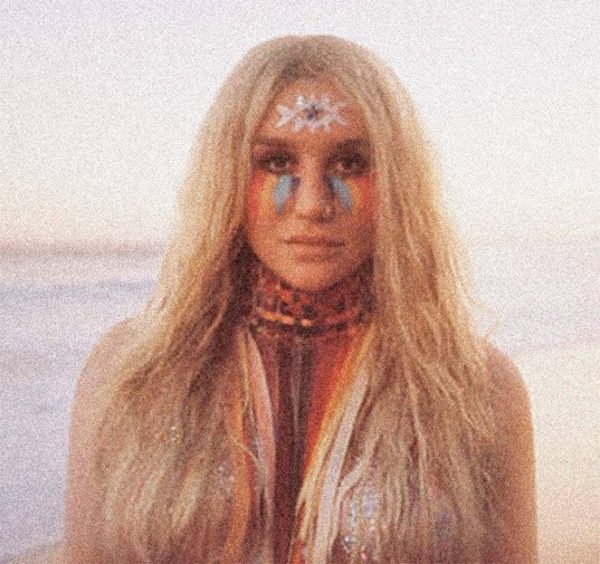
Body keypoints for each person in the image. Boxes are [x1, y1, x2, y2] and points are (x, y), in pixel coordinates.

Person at [65, 35, 537, 563]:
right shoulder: (129, 373)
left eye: (350, 163)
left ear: (399, 185)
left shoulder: (479, 391)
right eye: (275, 162)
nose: (312, 203)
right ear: (227, 177)